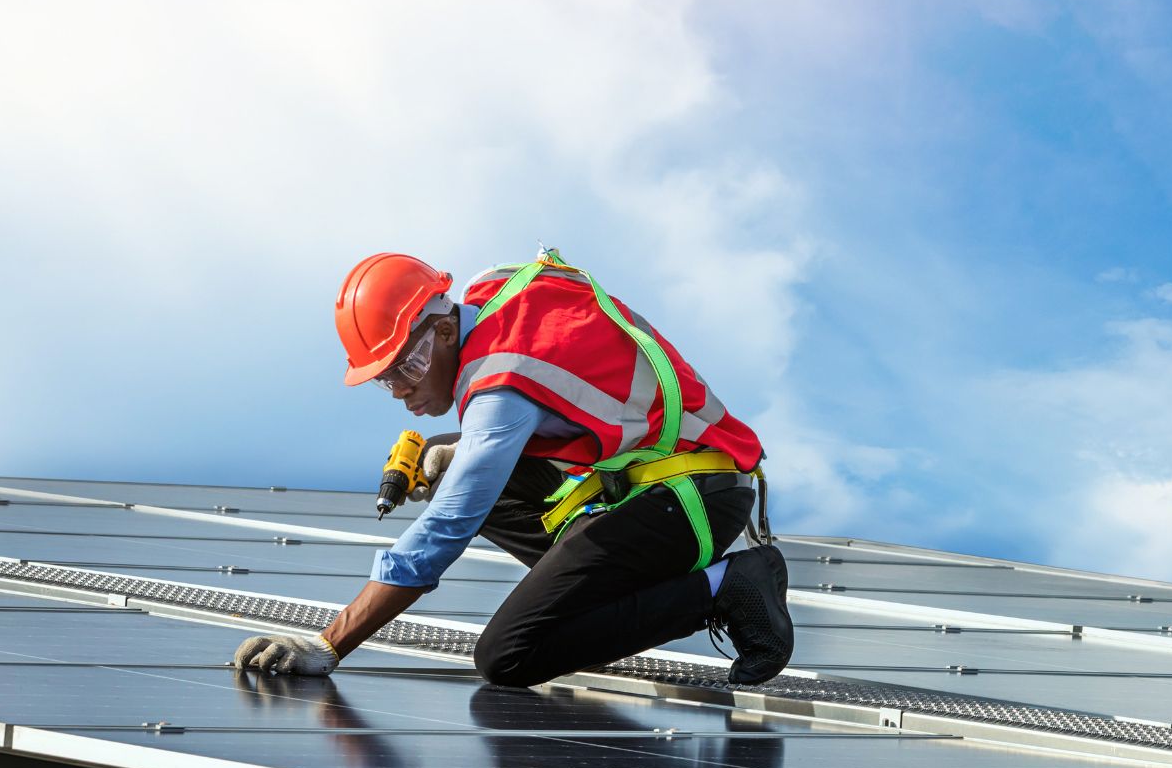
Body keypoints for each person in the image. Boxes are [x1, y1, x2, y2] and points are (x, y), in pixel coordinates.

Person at [233, 248, 793, 689]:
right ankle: (578, 591)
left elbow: (443, 532)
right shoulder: (493, 290)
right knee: (451, 463)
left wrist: (330, 644)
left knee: (509, 655)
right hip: (655, 475)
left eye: (408, 364)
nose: (401, 389)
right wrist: (453, 452)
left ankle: (728, 586)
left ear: (446, 330)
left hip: (690, 497)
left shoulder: (500, 386)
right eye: (385, 377)